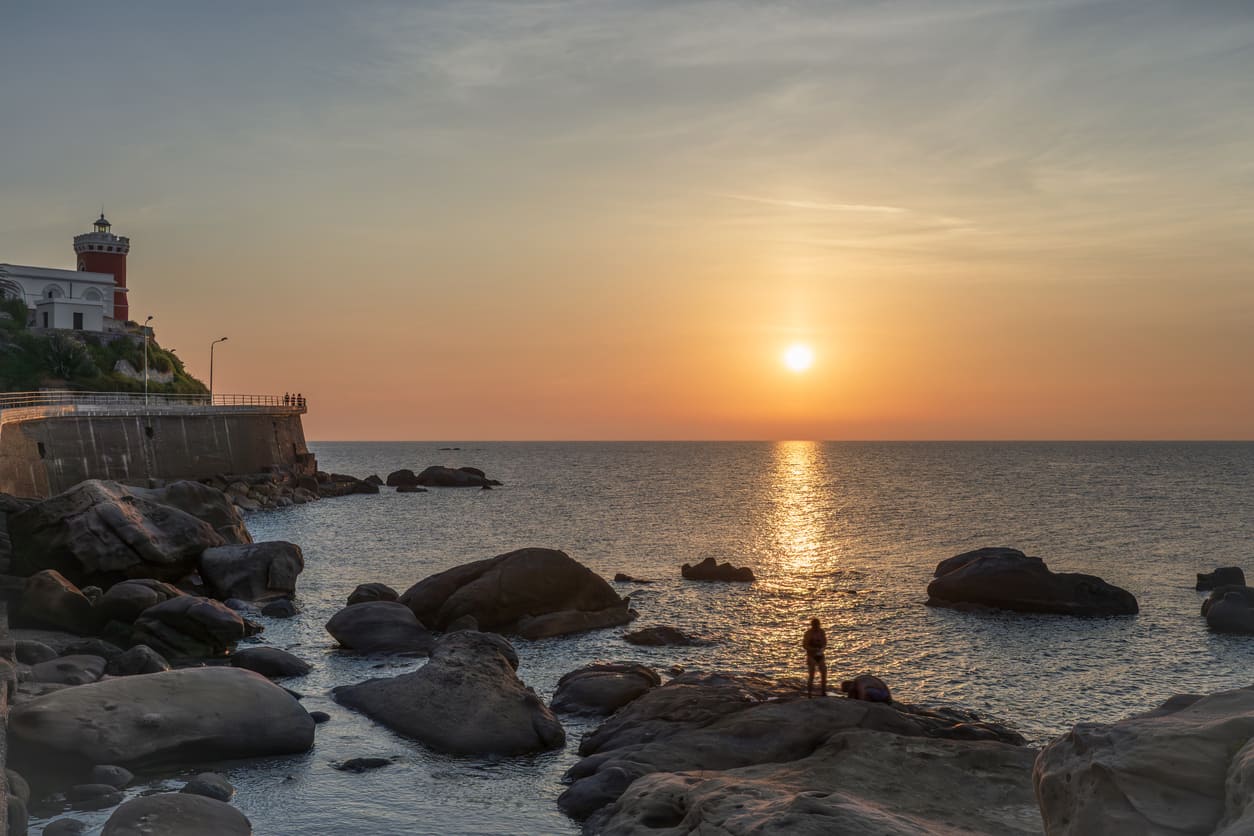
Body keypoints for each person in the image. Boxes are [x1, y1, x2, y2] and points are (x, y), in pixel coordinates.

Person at [802, 617, 827, 697]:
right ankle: (809, 694)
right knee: (811, 675)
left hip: (820, 654)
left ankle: (823, 692)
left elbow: (824, 642)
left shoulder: (822, 632)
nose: (816, 627)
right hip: (811, 655)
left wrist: (822, 648)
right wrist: (813, 649)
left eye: (817, 625)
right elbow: (804, 645)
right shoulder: (808, 633)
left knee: (824, 672)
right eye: (815, 625)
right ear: (812, 625)